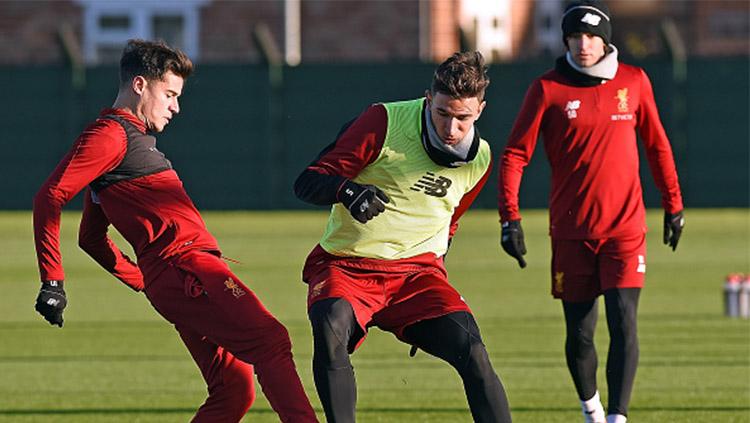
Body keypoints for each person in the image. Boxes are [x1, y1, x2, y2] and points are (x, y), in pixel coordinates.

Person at [32, 39, 318, 423]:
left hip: (178, 278)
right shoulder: (110, 135)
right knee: (271, 340)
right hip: (188, 271)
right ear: (139, 85)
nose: (175, 107)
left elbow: (91, 238)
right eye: (169, 94)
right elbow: (50, 196)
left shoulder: (126, 140)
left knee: (233, 390)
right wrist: (52, 281)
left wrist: (144, 280)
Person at [294, 51, 512, 423]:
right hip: (347, 267)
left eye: (463, 118)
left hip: (416, 278)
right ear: (429, 99)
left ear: (481, 110)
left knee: (474, 352)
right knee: (330, 330)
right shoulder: (383, 120)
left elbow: (449, 224)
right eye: (442, 113)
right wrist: (349, 192)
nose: (451, 128)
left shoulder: (481, 159)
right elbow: (307, 183)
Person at [496, 1, 684, 423]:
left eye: (593, 37)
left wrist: (673, 203)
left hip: (625, 229)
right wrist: (511, 218)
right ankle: (592, 410)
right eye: (576, 37)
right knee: (580, 334)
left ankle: (617, 417)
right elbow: (513, 155)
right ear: (565, 40)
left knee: (623, 320)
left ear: (606, 41)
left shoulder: (634, 82)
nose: (584, 45)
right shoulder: (547, 89)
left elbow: (657, 145)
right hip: (570, 232)